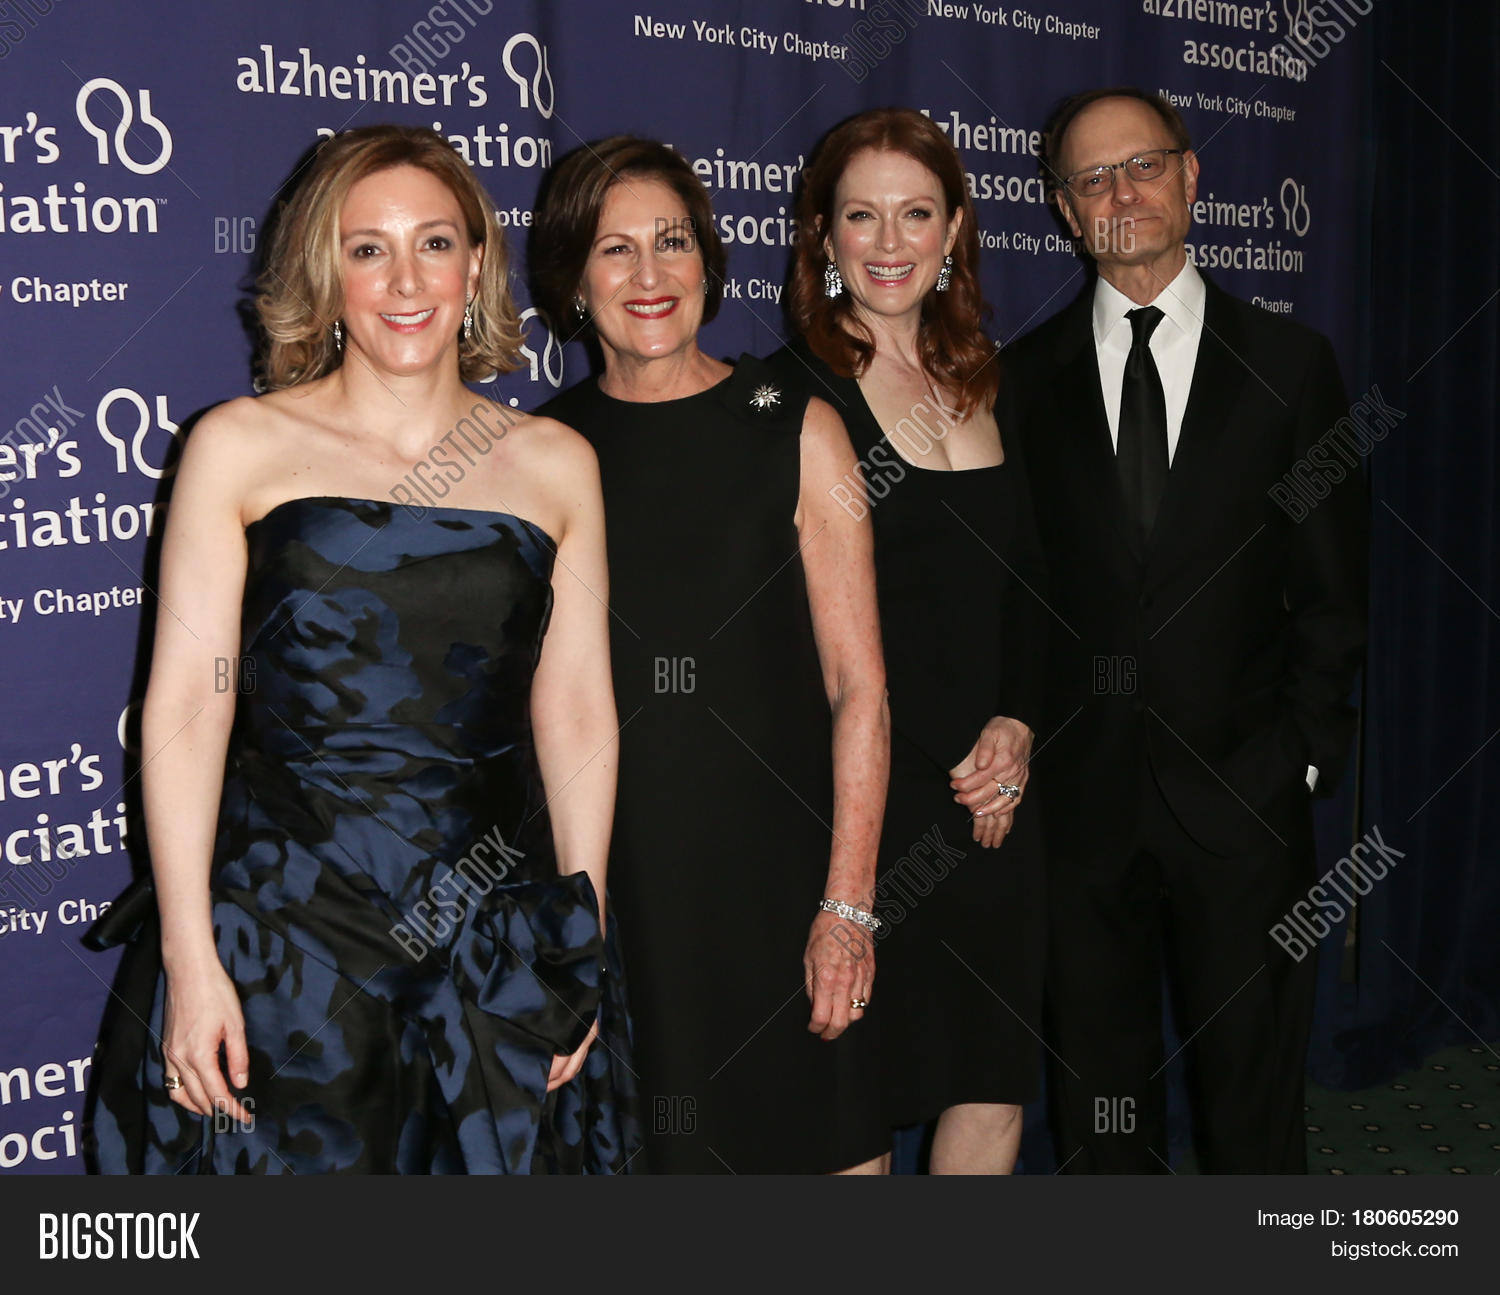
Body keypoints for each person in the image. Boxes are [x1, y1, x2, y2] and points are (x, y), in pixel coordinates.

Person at [88, 124, 637, 1174]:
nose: (406, 281)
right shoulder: (239, 446)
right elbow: (191, 704)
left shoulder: (556, 460)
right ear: (325, 272)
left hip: (490, 938)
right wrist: (191, 956)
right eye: (368, 249)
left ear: (475, 263)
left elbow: (576, 710)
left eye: (434, 243)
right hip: (284, 935)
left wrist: (585, 940)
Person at [1002, 88, 1367, 1172]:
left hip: (1246, 801)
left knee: (1254, 1112)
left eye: (1144, 165)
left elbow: (1335, 588)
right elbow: (1017, 590)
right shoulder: (1020, 381)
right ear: (1064, 208)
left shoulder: (1292, 366)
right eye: (1093, 178)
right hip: (1083, 810)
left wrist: (1302, 756)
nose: (1122, 193)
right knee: (1101, 1110)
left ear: (1192, 175)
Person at [531, 137, 890, 1174]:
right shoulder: (543, 451)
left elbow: (860, 686)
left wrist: (847, 904)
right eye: (615, 249)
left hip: (786, 886)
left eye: (673, 241)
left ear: (708, 261)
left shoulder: (793, 425)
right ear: (573, 279)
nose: (650, 274)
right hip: (626, 893)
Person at [769, 108, 1048, 1174]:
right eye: (862, 216)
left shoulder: (995, 383)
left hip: (995, 808)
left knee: (991, 1082)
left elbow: (1034, 594)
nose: (890, 242)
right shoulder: (789, 397)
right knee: (857, 1102)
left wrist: (1019, 724)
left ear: (955, 229)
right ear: (823, 236)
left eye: (917, 213)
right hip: (863, 810)